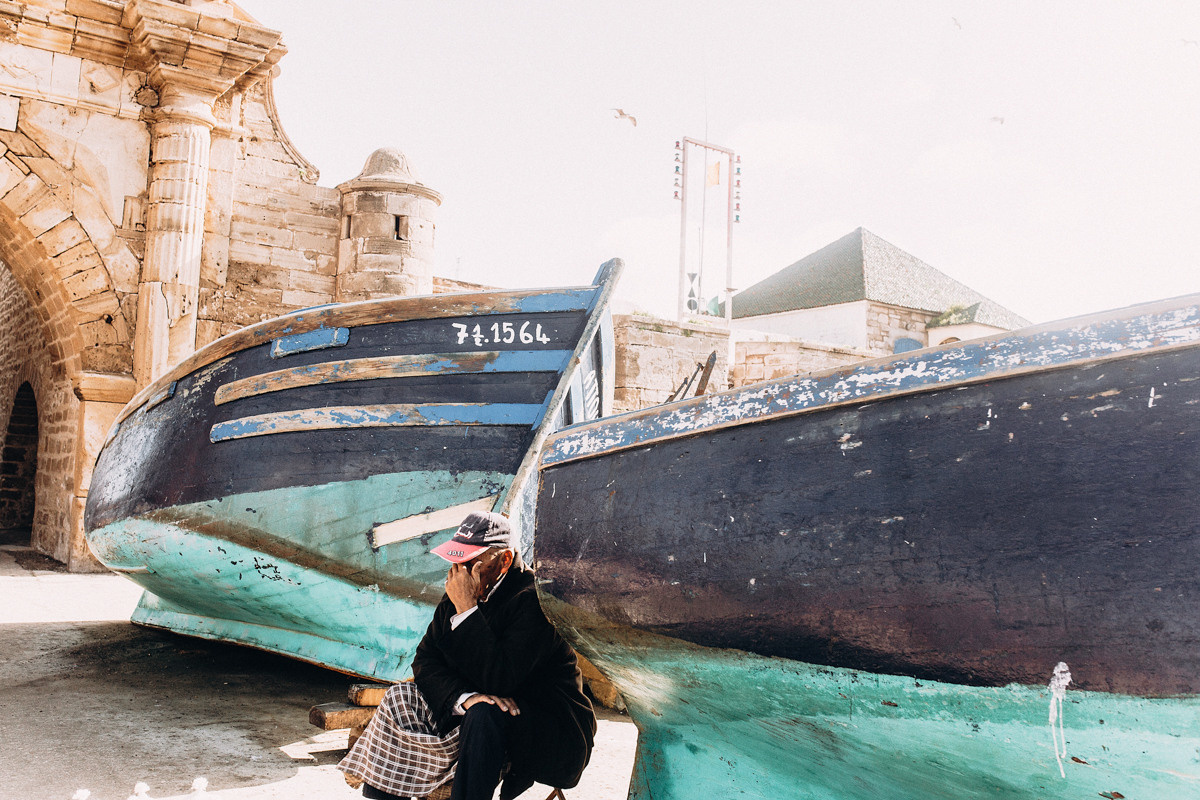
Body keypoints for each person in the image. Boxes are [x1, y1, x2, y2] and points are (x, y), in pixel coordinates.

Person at [339, 511, 597, 800]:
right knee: (400, 697)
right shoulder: (462, 587)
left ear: (505, 561)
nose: (458, 571)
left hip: (550, 731)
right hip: (478, 714)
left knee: (485, 714)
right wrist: (463, 697)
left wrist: (467, 611)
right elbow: (424, 660)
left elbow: (501, 681)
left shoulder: (533, 602)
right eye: (455, 560)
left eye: (470, 562)